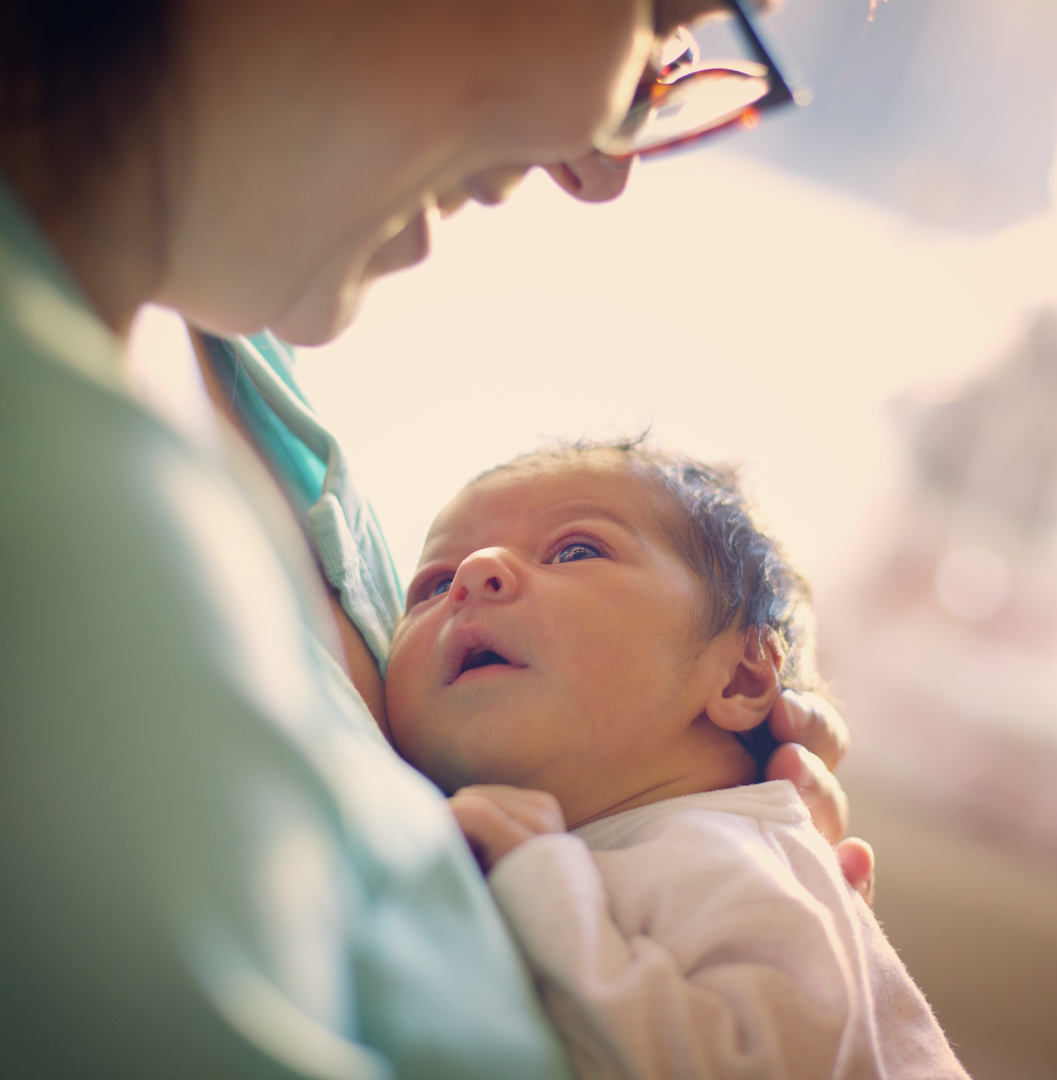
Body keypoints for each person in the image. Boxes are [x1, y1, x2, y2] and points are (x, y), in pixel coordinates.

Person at [0, 1, 868, 1076]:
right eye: (657, 19)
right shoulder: (48, 489)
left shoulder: (246, 363)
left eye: (580, 552)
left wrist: (697, 859)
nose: (604, 169)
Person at [385, 442, 969, 1080]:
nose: (474, 572)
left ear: (741, 677)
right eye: (434, 585)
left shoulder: (724, 849)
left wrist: (535, 877)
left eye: (575, 550)